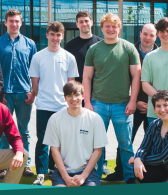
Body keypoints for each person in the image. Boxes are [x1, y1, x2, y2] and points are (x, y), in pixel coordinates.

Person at [83, 13, 141, 182]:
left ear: (119, 28)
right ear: (101, 28)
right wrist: (87, 102)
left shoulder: (128, 48)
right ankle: (95, 177)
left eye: (114, 26)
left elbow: (136, 76)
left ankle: (129, 178)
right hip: (98, 104)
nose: (110, 29)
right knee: (97, 145)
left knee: (126, 145)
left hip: (123, 106)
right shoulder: (94, 49)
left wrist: (133, 101)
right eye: (107, 26)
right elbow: (86, 77)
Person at [102, 23, 157, 182]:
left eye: (151, 35)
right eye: (145, 34)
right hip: (132, 104)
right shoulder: (127, 50)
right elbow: (122, 79)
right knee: (125, 141)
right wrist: (136, 101)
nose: (147, 38)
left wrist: (154, 104)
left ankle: (150, 174)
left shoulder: (160, 53)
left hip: (154, 107)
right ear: (140, 34)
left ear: (156, 37)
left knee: (153, 143)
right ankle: (121, 172)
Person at [28, 21, 79, 185]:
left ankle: (55, 169)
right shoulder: (38, 57)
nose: (55, 38)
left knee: (62, 141)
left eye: (58, 35)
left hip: (63, 106)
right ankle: (41, 173)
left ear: (62, 36)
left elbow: (71, 84)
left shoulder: (69, 57)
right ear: (47, 35)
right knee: (42, 140)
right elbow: (35, 82)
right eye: (52, 34)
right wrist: (39, 97)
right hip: (44, 105)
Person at [0, 9, 37, 178]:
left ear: (21, 23)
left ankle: (25, 164)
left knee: (24, 131)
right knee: (3, 131)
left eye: (17, 21)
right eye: (11, 21)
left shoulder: (29, 44)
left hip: (24, 94)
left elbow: (34, 71)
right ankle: (3, 166)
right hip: (5, 96)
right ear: (5, 23)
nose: (14, 24)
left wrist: (33, 92)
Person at [64, 10, 109, 176]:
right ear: (77, 25)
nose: (84, 24)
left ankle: (101, 163)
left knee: (97, 131)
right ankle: (80, 161)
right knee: (78, 131)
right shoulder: (70, 45)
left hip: (96, 95)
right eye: (81, 22)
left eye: (86, 21)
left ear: (92, 22)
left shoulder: (100, 43)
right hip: (76, 96)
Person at [43, 81, 108, 186]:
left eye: (77, 94)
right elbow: (54, 149)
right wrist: (66, 178)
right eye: (69, 95)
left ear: (83, 96)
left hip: (87, 171)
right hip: (62, 171)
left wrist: (83, 176)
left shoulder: (95, 119)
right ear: (65, 98)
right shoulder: (55, 119)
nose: (73, 99)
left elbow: (98, 150)